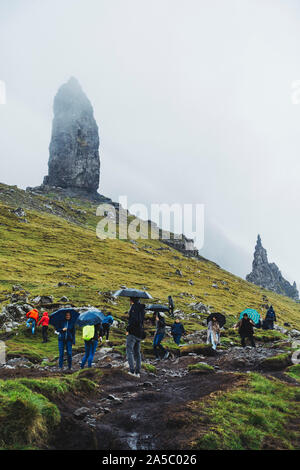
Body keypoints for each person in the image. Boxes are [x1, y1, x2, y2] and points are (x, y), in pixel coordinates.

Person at [126, 297, 145, 377]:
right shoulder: (142, 309)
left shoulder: (134, 308)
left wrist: (128, 329)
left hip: (133, 333)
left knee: (129, 351)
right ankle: (137, 372)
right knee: (137, 353)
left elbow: (133, 321)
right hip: (139, 333)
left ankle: (131, 370)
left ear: (132, 300)